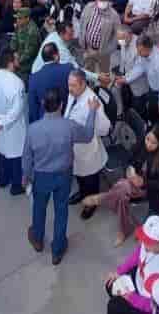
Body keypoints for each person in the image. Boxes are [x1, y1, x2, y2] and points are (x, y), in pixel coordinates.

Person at [23, 87, 101, 265]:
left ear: (43, 104)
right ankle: (57, 249)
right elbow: (88, 135)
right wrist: (92, 111)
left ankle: (37, 237)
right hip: (63, 176)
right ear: (61, 105)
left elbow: (27, 157)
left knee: (39, 207)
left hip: (41, 176)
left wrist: (26, 177)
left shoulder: (33, 129)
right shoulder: (69, 126)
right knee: (61, 210)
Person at [86, 120, 159, 247]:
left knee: (122, 189)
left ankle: (104, 200)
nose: (148, 144)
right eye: (148, 139)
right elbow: (131, 158)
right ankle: (123, 230)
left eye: (154, 143)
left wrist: (143, 182)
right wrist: (130, 169)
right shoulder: (143, 143)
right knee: (122, 193)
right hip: (132, 181)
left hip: (149, 188)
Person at [104, 215, 159, 314]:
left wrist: (131, 298)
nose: (143, 243)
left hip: (147, 300)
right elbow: (138, 253)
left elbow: (153, 305)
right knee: (110, 285)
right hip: (142, 281)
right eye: (143, 238)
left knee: (114, 306)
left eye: (148, 242)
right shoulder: (152, 243)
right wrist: (119, 271)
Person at [65, 68, 112, 218]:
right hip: (74, 147)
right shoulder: (74, 94)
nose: (70, 89)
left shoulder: (92, 101)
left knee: (90, 178)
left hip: (87, 149)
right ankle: (82, 193)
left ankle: (91, 203)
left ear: (83, 84)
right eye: (69, 85)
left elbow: (105, 128)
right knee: (79, 175)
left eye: (73, 85)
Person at [0, 49, 27, 196]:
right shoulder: (17, 83)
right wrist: (4, 122)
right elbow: (17, 109)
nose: (18, 59)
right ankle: (16, 185)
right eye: (16, 58)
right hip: (12, 125)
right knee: (16, 153)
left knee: (3, 150)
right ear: (10, 62)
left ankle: (3, 179)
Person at [80, 0, 122, 75]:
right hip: (88, 49)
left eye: (105, 1)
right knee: (88, 73)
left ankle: (103, 86)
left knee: (104, 75)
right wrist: (83, 44)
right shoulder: (89, 7)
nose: (103, 3)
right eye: (100, 0)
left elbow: (117, 37)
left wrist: (105, 51)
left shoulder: (114, 16)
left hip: (103, 53)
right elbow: (82, 24)